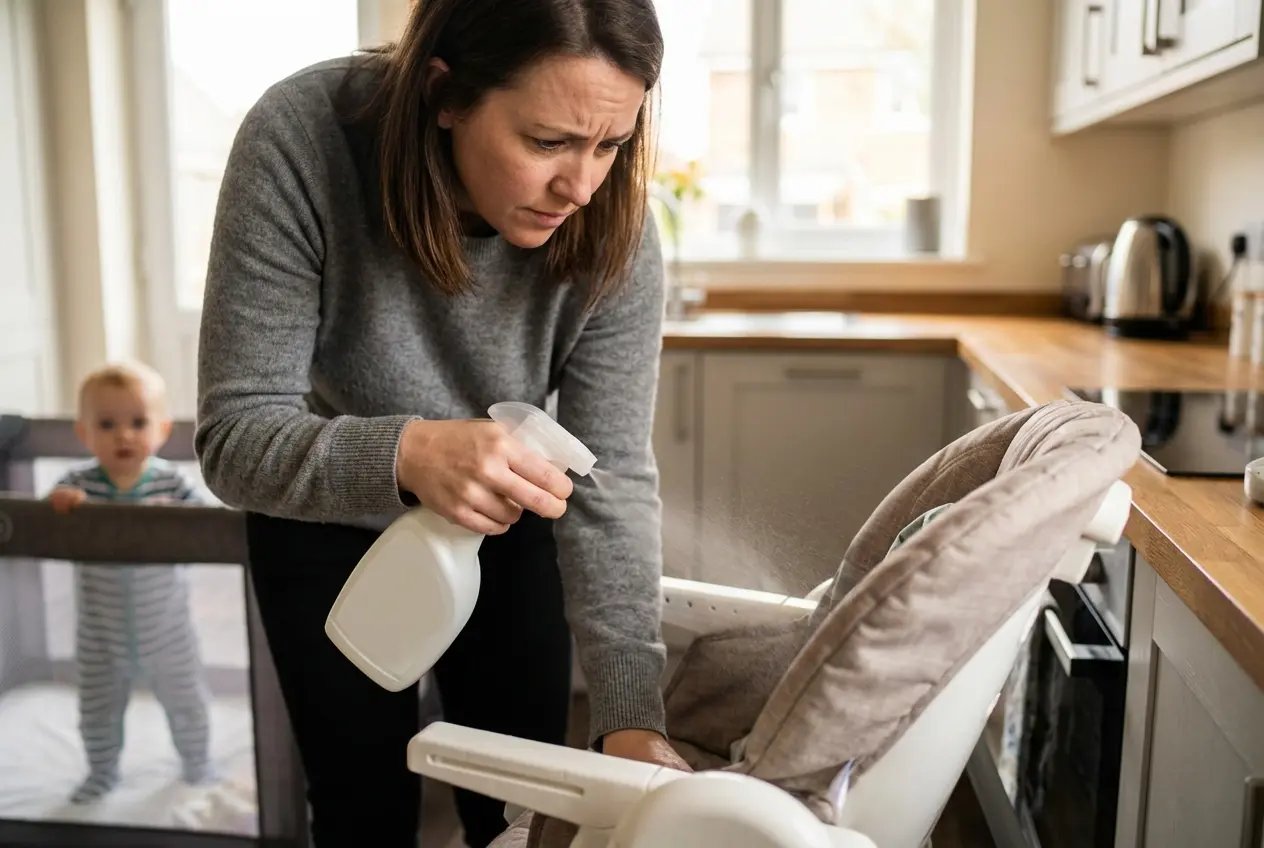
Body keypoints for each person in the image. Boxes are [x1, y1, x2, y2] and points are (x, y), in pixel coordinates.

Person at [194, 1, 687, 845]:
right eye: (549, 142)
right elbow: (234, 437)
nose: (582, 187)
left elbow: (614, 479)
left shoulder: (615, 229)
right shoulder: (301, 140)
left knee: (518, 811)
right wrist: (410, 452)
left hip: (505, 525)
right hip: (322, 518)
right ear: (444, 93)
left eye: (611, 145)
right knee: (359, 812)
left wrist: (631, 716)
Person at [48, 361, 214, 803]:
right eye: (107, 424)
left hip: (167, 629)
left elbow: (209, 525)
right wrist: (60, 504)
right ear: (84, 434)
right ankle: (102, 772)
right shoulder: (77, 485)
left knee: (186, 700)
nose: (123, 435)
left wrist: (179, 517)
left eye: (138, 423)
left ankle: (197, 763)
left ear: (161, 429)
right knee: (97, 710)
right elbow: (46, 521)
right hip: (100, 635)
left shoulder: (172, 482)